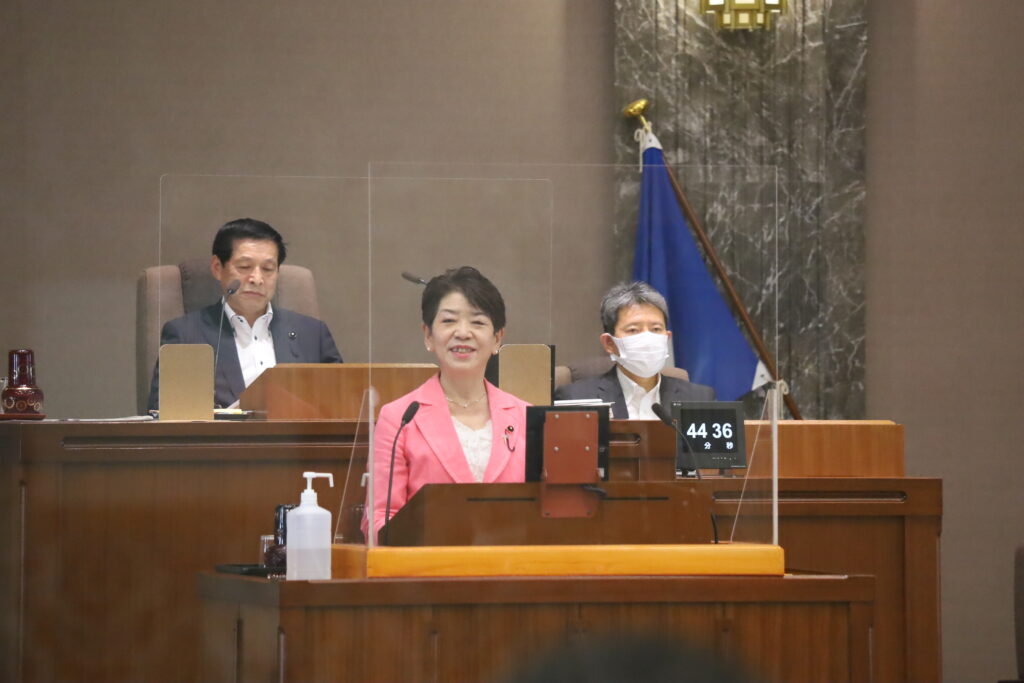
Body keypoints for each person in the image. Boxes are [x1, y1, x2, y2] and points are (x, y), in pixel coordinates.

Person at [363, 266, 530, 542]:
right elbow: (381, 518)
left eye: (478, 322)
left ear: (497, 338)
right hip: (428, 565)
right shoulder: (399, 418)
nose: (462, 333)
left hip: (510, 565)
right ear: (428, 335)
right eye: (449, 321)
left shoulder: (526, 416)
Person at [146, 218, 342, 410]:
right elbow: (165, 417)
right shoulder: (186, 334)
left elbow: (344, 404)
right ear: (217, 268)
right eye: (244, 267)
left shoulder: (312, 333)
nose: (257, 279)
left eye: (268, 269)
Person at [554, 281, 714, 418]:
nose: (647, 339)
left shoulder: (700, 399)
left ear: (667, 338)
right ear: (609, 343)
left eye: (656, 329)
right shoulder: (575, 399)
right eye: (633, 330)